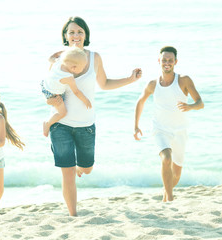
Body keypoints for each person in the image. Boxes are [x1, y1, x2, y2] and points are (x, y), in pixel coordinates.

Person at [47, 16, 142, 216]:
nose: (75, 36)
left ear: (86, 35)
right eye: (71, 32)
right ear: (65, 35)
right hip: (60, 125)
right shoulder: (57, 59)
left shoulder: (94, 58)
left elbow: (105, 84)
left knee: (86, 168)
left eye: (80, 32)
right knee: (68, 173)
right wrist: (51, 101)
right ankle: (73, 215)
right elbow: (48, 90)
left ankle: (82, 169)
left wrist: (130, 79)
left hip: (86, 126)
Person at [133, 46, 204, 202]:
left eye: (170, 60)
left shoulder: (184, 80)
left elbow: (200, 103)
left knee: (176, 173)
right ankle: (170, 199)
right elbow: (140, 102)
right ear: (159, 61)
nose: (167, 63)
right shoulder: (152, 84)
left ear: (175, 62)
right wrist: (136, 126)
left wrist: (190, 106)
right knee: (166, 158)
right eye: (164, 60)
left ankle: (166, 197)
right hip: (160, 130)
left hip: (180, 131)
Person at [41, 47, 92, 137]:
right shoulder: (68, 77)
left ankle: (49, 101)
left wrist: (61, 53)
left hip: (45, 85)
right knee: (63, 113)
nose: (83, 69)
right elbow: (76, 92)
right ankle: (47, 123)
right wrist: (85, 100)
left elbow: (50, 58)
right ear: (73, 67)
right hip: (53, 94)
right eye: (82, 67)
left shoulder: (58, 61)